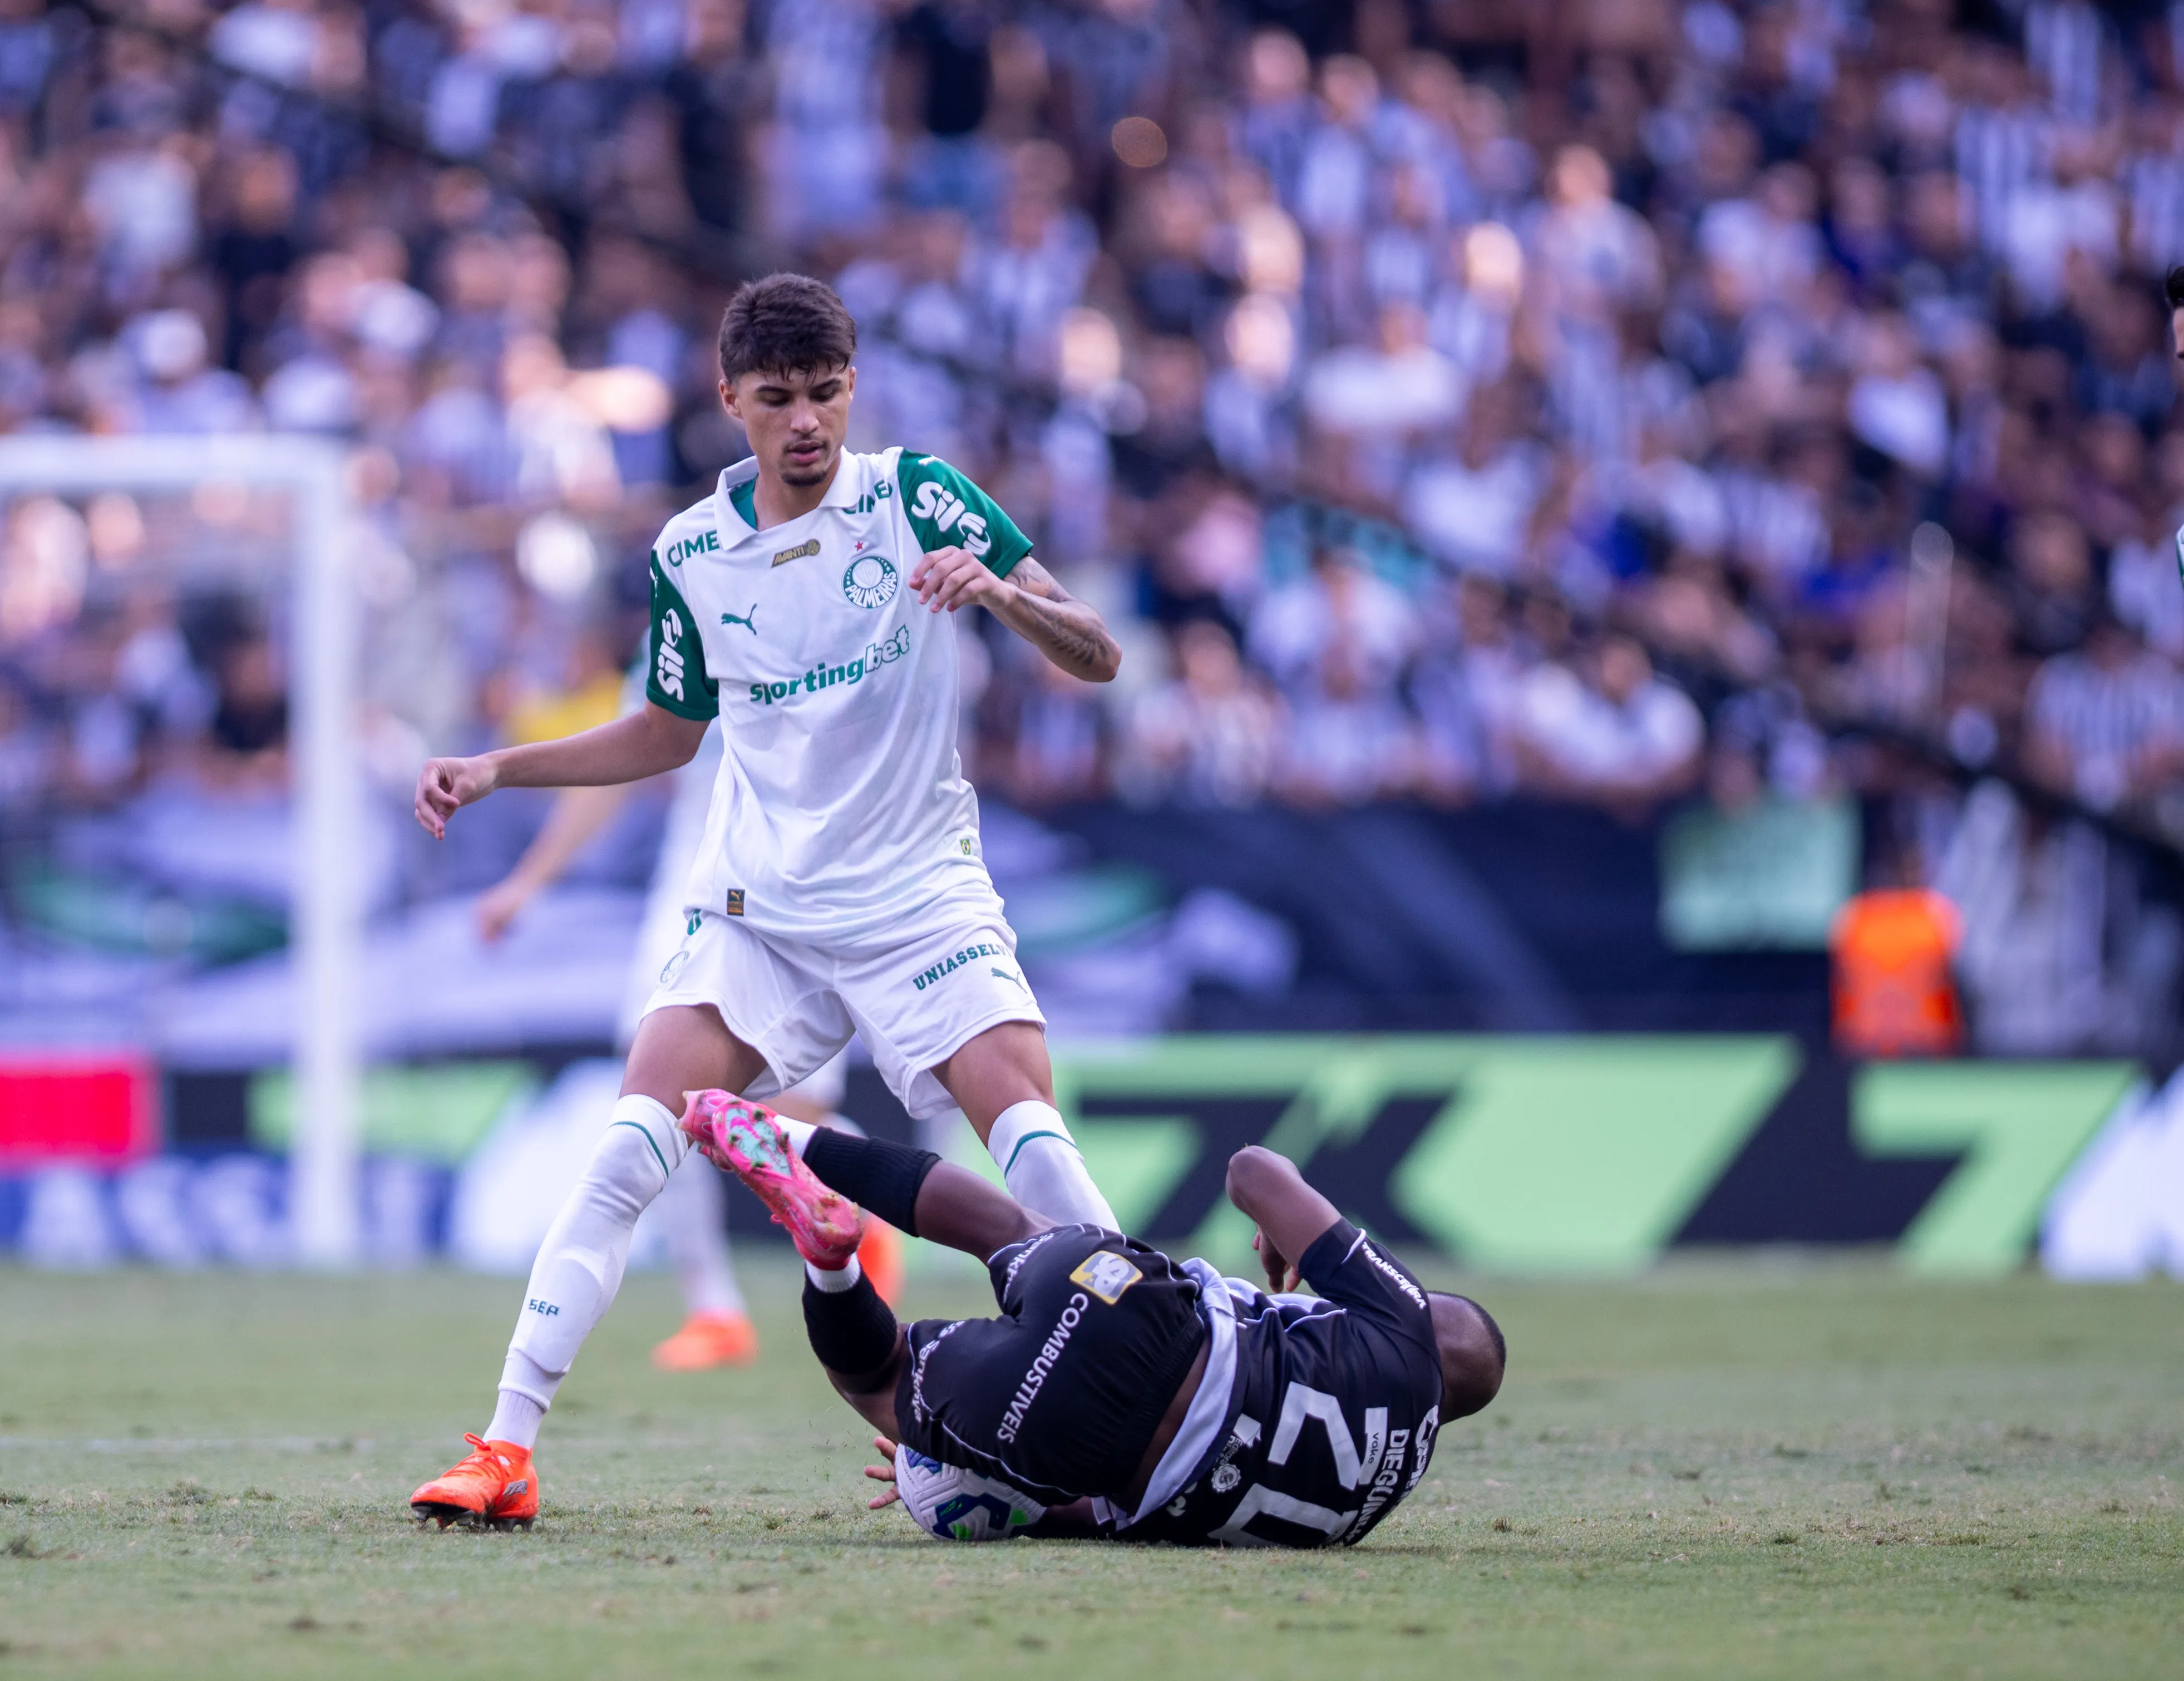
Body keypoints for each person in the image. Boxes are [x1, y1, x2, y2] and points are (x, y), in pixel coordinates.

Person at [407, 272, 1126, 1529]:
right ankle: (504, 1449)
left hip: (917, 902)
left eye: (827, 392)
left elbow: (1096, 653)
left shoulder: (917, 497)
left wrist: (1003, 595)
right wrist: (497, 768)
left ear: (853, 387)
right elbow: (667, 733)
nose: (806, 420)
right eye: (779, 397)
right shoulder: (690, 547)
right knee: (633, 1136)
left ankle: (1160, 1388)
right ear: (729, 398)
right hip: (760, 912)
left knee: (1032, 1140)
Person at [684, 1087, 1505, 1548]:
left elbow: (1255, 1169)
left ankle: (785, 1133)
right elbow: (1095, 1517)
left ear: (1428, 1319)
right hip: (1095, 1444)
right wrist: (968, 1480)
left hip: (1146, 1321)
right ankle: (829, 1261)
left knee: (1006, 1231)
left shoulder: (1401, 1332)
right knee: (880, 1383)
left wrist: (1279, 1248)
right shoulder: (1360, 1516)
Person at [464, 686, 903, 1376]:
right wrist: (529, 881)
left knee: (780, 1106)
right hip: (699, 891)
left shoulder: (826, 605)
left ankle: (861, 1218)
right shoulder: (687, 610)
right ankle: (715, 1308)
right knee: (656, 1092)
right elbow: (626, 757)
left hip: (798, 892)